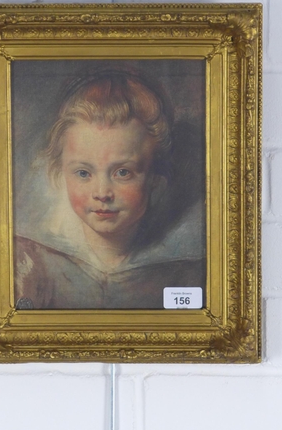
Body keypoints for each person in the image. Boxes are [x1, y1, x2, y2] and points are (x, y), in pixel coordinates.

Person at [14, 69, 205, 309]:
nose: (102, 192)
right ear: (61, 172)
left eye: (122, 172)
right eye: (83, 173)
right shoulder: (27, 263)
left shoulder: (189, 272)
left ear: (156, 178)